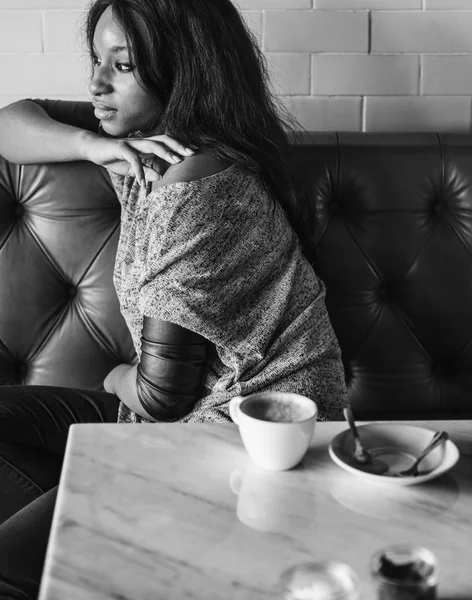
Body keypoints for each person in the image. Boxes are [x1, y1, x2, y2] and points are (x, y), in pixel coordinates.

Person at [0, 0, 348, 596]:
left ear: (182, 72)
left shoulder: (197, 184)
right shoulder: (147, 144)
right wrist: (93, 146)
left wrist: (112, 377)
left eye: (124, 64)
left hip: (244, 443)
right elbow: (8, 123)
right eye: (97, 58)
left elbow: (162, 396)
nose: (96, 81)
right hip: (174, 424)